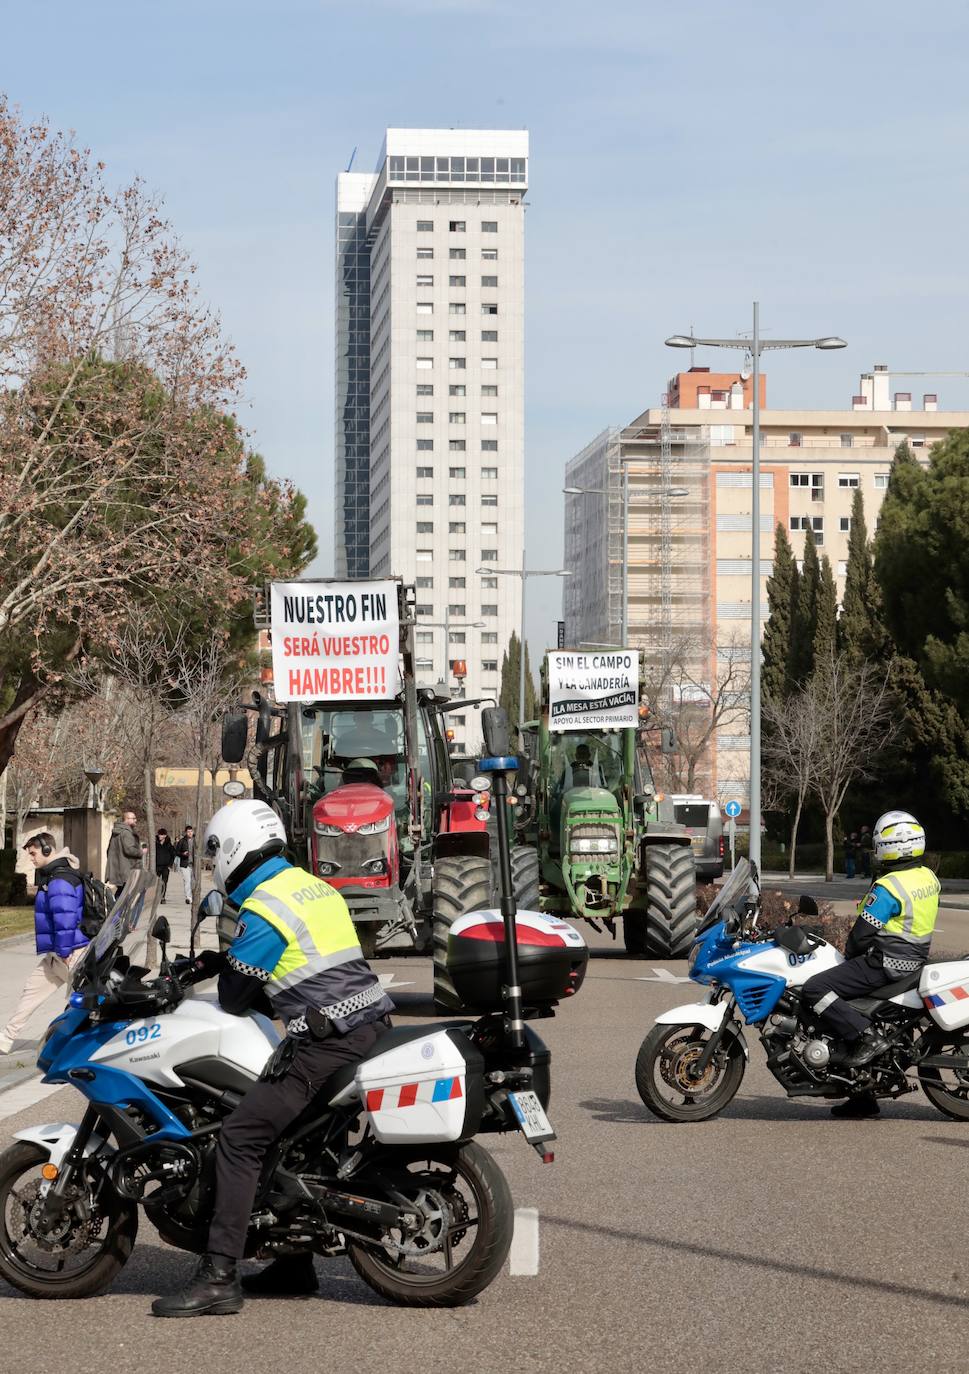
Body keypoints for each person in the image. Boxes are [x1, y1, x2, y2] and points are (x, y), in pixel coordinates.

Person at [152, 799, 395, 1318]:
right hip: (367, 1026)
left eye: (214, 851)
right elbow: (290, 972)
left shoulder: (267, 905)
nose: (214, 861)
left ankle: (219, 1276)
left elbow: (239, 997)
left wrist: (221, 970)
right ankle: (294, 1264)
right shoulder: (310, 886)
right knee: (299, 1144)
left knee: (241, 1138)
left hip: (327, 1043)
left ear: (235, 847)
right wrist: (219, 961)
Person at [801, 810, 940, 1119]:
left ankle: (865, 1036)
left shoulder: (889, 887)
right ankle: (863, 1097)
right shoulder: (927, 877)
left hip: (886, 962)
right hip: (914, 960)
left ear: (889, 846)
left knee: (815, 988)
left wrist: (847, 955)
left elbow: (859, 940)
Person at [0, 833, 88, 1055]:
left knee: (87, 1004)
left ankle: (90, 1047)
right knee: (30, 992)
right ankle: (5, 1040)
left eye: (33, 853)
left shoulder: (59, 880)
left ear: (48, 850)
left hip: (71, 953)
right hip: (57, 954)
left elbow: (65, 918)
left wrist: (65, 951)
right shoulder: (52, 877)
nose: (31, 858)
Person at [105, 810, 144, 900]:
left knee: (122, 892)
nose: (136, 820)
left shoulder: (117, 832)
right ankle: (117, 913)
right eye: (133, 818)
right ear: (126, 819)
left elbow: (108, 850)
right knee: (126, 894)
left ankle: (116, 912)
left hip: (120, 869)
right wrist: (141, 852)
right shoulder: (126, 833)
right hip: (127, 869)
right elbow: (129, 850)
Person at [174, 825, 196, 907]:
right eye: (188, 832)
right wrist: (183, 854)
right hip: (185, 864)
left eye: (191, 831)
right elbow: (176, 852)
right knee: (187, 881)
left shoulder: (196, 841)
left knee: (194, 881)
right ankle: (188, 897)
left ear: (193, 832)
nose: (190, 833)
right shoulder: (182, 841)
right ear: (186, 833)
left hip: (194, 864)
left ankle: (194, 896)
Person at [155, 828, 176, 902]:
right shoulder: (155, 843)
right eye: (159, 834)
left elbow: (173, 855)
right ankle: (155, 897)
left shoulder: (169, 844)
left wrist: (170, 865)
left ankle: (162, 897)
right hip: (156, 866)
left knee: (164, 882)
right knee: (156, 882)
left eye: (162, 835)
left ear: (165, 836)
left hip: (165, 867)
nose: (160, 836)